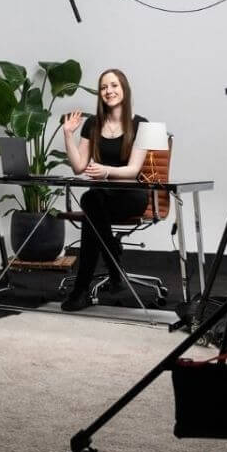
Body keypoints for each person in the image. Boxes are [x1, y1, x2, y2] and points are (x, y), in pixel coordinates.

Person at [60, 68, 154, 312]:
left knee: (91, 203)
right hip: (102, 198)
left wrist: (106, 171)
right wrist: (68, 135)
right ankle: (112, 266)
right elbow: (78, 167)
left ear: (124, 90)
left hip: (131, 195)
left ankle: (83, 290)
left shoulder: (141, 124)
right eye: (103, 87)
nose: (108, 91)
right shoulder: (92, 124)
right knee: (92, 201)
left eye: (114, 86)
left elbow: (133, 170)